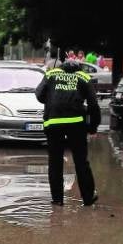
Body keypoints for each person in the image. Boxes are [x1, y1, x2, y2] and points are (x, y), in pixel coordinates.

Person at [35, 53, 101, 207]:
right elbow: (93, 105)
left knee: (55, 162)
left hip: (53, 123)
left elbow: (39, 95)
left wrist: (52, 99)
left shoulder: (51, 74)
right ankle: (88, 198)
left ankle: (57, 200)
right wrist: (93, 127)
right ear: (79, 68)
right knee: (81, 162)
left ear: (61, 66)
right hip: (77, 125)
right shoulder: (83, 77)